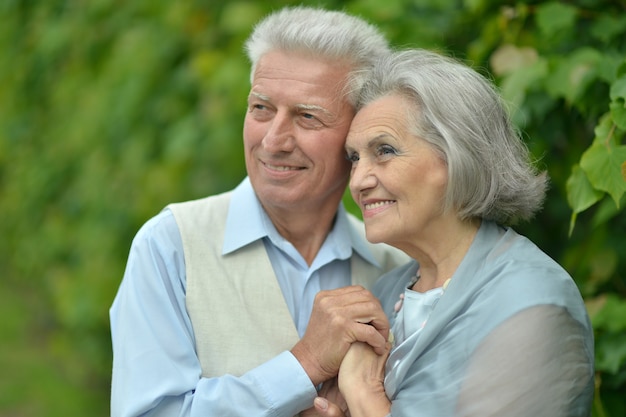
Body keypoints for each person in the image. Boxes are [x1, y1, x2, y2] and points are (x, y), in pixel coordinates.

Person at [109, 6, 409, 417]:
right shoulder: (170, 246)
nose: (273, 139)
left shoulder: (397, 268)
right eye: (261, 108)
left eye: (307, 116)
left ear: (358, 134)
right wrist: (305, 364)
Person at [310, 49, 594, 417]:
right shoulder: (386, 294)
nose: (360, 180)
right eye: (354, 158)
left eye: (384, 151)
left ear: (458, 155)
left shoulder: (531, 301)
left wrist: (364, 395)